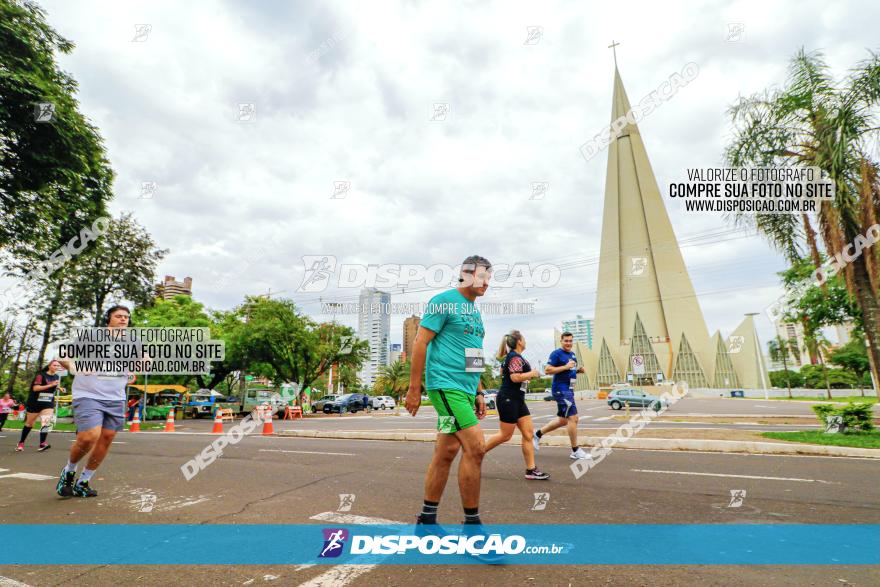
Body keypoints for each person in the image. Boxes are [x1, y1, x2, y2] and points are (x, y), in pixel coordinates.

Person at [405, 255, 491, 525]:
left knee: (446, 452)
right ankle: (472, 528)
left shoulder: (474, 312)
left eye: (489, 278)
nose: (486, 282)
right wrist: (414, 388)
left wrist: (478, 392)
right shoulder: (443, 302)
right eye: (480, 276)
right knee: (476, 447)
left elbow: (474, 354)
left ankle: (427, 518)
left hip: (465, 390)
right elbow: (420, 342)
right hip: (445, 386)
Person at [56, 305, 137, 498]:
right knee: (89, 436)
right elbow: (62, 355)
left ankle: (83, 482)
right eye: (119, 316)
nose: (123, 319)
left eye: (126, 317)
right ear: (108, 319)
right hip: (88, 394)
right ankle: (68, 471)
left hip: (115, 397)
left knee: (106, 439)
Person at [484, 330, 549, 480]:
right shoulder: (514, 357)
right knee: (505, 435)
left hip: (518, 399)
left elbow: (504, 372)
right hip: (508, 399)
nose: (525, 341)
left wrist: (526, 377)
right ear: (519, 341)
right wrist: (531, 373)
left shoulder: (514, 358)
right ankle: (476, 454)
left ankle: (531, 470)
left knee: (528, 434)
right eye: (524, 338)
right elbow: (514, 377)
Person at [533, 332, 592, 460]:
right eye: (566, 341)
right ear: (561, 341)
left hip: (569, 389)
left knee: (563, 420)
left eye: (570, 341)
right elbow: (548, 370)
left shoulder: (572, 355)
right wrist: (565, 366)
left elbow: (568, 371)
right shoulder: (556, 354)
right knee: (573, 418)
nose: (568, 343)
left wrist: (578, 371)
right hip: (560, 389)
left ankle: (537, 434)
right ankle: (575, 450)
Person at [16, 360, 63, 452]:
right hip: (35, 402)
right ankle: (21, 442)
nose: (56, 367)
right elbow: (35, 388)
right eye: (54, 365)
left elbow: (53, 386)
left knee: (46, 422)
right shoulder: (40, 375)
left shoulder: (57, 376)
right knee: (29, 424)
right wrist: (51, 385)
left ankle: (42, 443)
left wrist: (58, 387)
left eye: (58, 366)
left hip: (48, 402)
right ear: (49, 366)